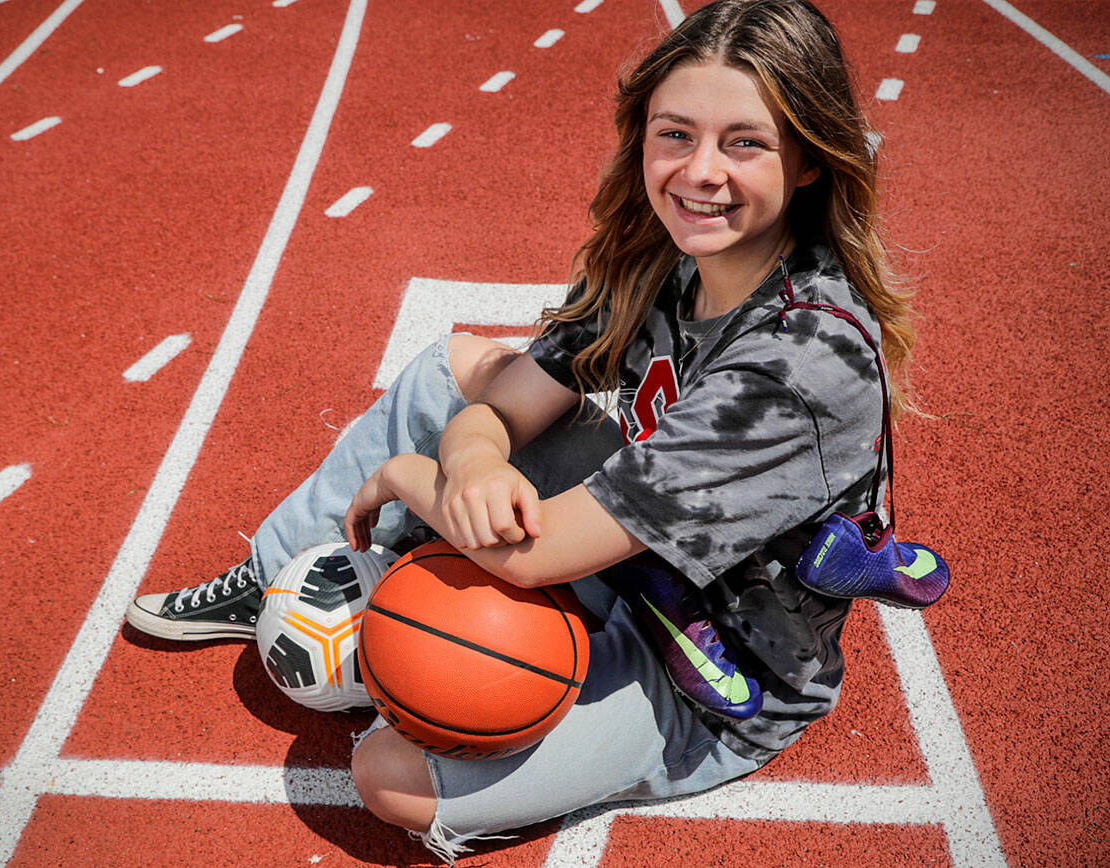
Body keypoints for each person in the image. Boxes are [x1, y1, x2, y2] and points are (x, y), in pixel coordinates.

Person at [126, 0, 918, 859]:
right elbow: (503, 397)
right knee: (452, 367)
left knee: (387, 774)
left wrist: (408, 475)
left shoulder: (798, 364)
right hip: (641, 560)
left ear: (808, 159)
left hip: (718, 673)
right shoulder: (666, 256)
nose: (700, 172)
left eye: (746, 143)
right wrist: (472, 460)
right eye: (676, 135)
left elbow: (538, 555)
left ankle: (405, 615)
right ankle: (279, 577)